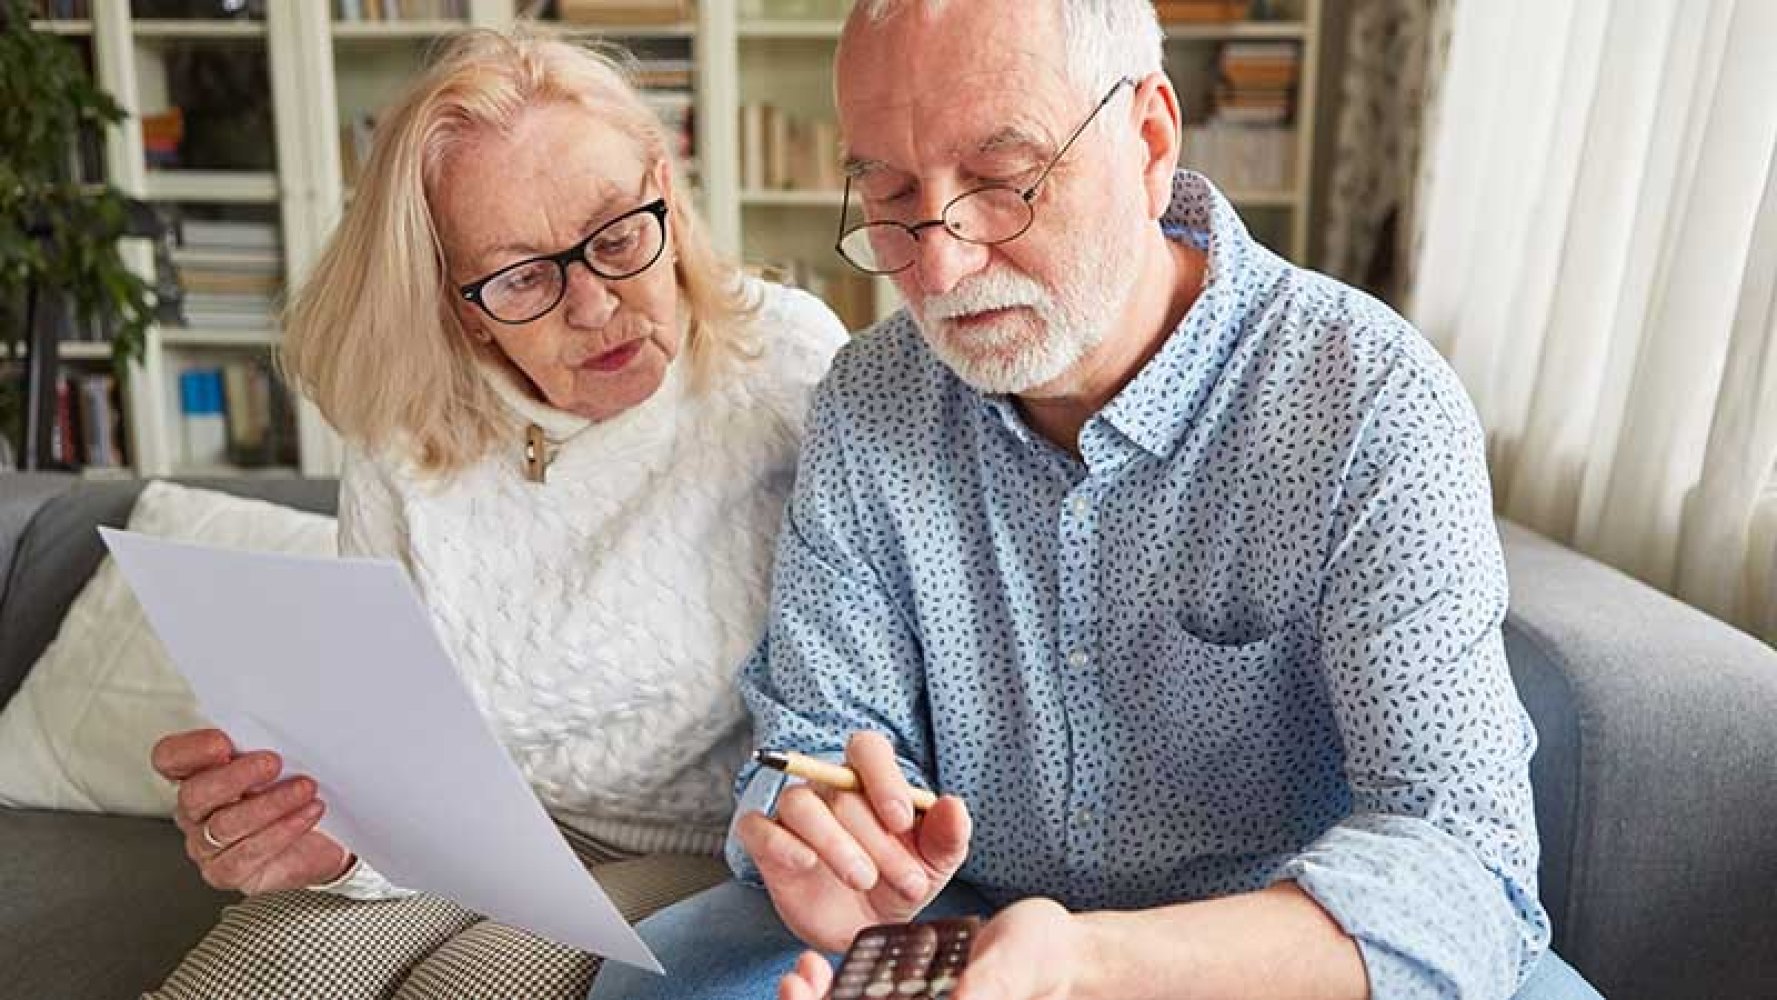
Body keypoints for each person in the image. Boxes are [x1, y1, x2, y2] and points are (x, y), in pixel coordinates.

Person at [588, 2, 1607, 999]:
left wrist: (1091, 964)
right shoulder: (870, 398)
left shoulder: (1367, 399)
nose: (938, 265)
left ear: (1149, 139)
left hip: (1270, 951)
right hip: (955, 925)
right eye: (890, 195)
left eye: (1003, 182)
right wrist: (827, 843)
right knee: (659, 981)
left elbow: (1461, 862)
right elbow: (814, 736)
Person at [145, 27, 846, 1000]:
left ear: (663, 187)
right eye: (521, 275)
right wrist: (328, 836)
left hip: (703, 846)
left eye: (616, 235)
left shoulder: (788, 364)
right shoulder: (405, 427)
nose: (592, 305)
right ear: (459, 300)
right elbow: (383, 745)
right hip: (457, 835)